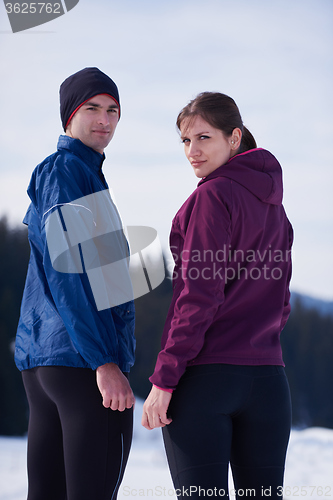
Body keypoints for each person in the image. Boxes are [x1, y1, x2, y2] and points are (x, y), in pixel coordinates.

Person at [142, 92, 293, 499]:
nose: (192, 151)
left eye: (204, 138)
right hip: (269, 384)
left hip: (208, 380)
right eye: (186, 141)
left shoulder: (212, 196)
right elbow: (281, 301)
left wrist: (165, 379)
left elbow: (198, 296)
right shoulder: (276, 208)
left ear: (234, 137)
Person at [15, 67, 136, 500]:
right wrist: (105, 361)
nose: (104, 119)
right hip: (81, 362)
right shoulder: (66, 171)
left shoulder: (80, 175)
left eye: (113, 110)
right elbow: (70, 274)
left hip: (49, 361)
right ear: (69, 116)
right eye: (92, 108)